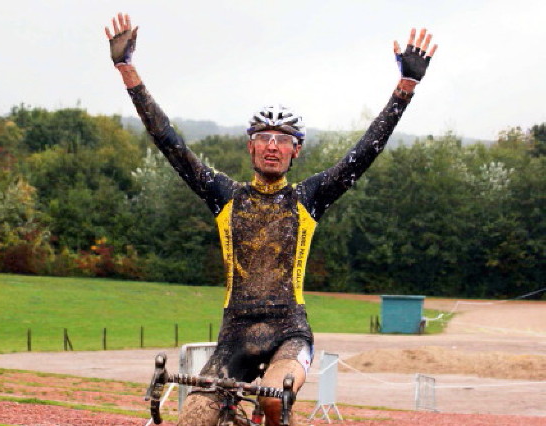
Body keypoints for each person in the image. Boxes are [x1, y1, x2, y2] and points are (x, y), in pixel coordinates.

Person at [104, 12, 437, 426]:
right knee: (193, 418)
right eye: (264, 137)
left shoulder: (307, 199)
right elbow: (169, 142)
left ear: (296, 150)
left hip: (289, 334)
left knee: (276, 400)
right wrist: (126, 69)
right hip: (234, 338)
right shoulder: (226, 196)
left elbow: (365, 150)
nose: (273, 146)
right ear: (250, 147)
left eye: (284, 139)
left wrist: (406, 86)